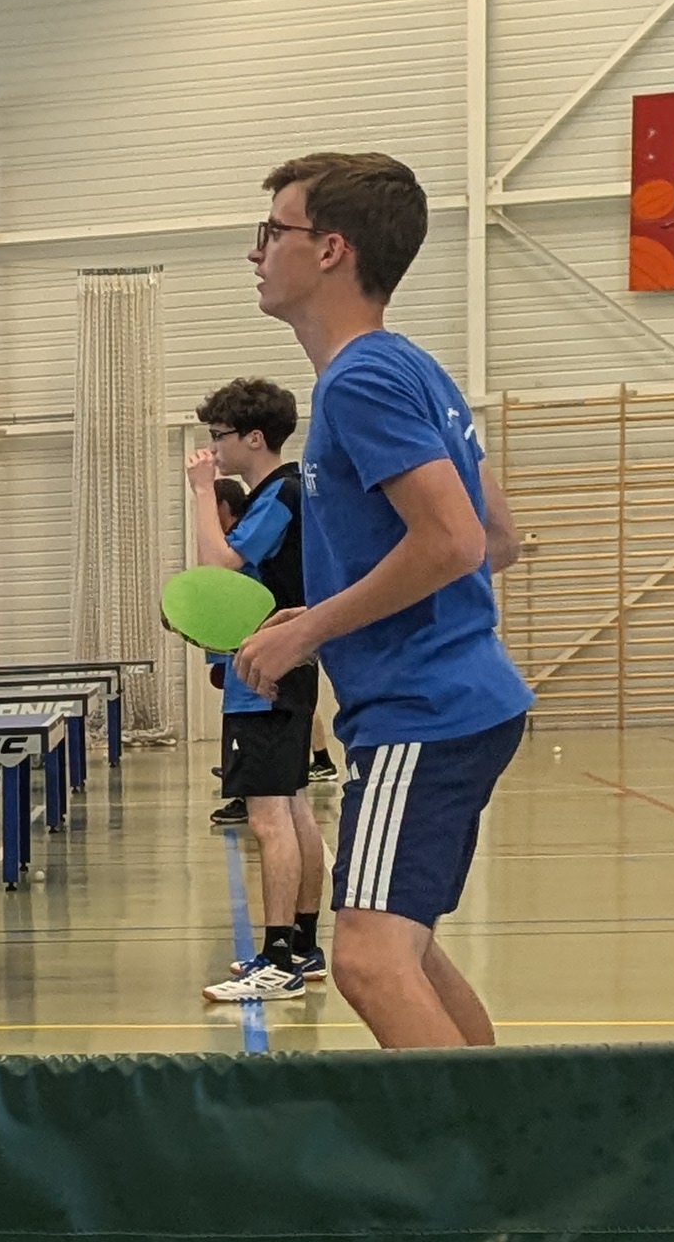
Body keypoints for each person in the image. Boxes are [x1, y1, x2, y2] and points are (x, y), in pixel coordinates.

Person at [231, 153, 533, 1050]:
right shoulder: (413, 368)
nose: (255, 254)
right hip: (452, 701)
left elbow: (457, 542)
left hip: (424, 711)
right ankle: (518, 1144)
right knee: (410, 951)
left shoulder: (357, 383)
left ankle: (480, 1180)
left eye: (271, 233)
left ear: (329, 250)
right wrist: (320, 607)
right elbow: (499, 537)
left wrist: (311, 631)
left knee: (366, 961)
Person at [185, 377, 326, 1002]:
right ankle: (304, 945)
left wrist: (197, 494)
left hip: (264, 672)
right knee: (293, 808)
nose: (212, 450)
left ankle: (278, 960)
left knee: (270, 817)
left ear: (254, 438)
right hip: (288, 662)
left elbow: (220, 568)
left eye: (218, 437)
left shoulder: (277, 495)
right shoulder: (291, 491)